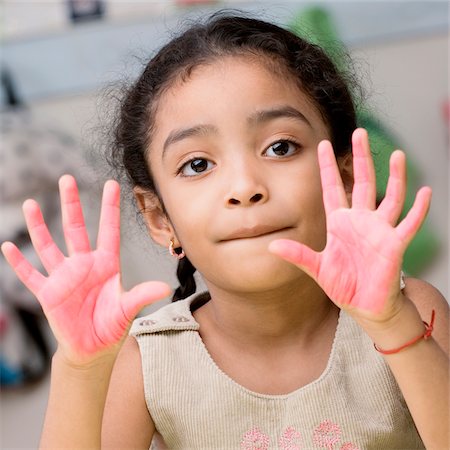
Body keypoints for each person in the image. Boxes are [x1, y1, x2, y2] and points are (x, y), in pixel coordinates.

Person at [1, 14, 449, 450]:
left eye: (280, 147)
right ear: (160, 219)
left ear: (346, 178)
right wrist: (80, 368)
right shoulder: (150, 360)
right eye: (198, 165)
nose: (244, 187)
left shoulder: (410, 311)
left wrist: (392, 325)